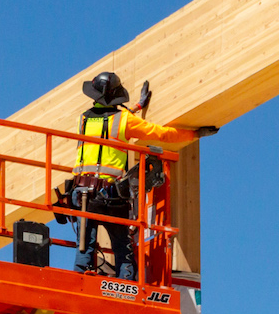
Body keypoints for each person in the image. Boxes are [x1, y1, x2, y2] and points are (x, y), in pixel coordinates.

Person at [69, 71, 215, 280]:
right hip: (108, 195)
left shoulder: (82, 119)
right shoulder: (124, 121)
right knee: (122, 246)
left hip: (81, 192)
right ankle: (126, 286)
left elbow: (108, 119)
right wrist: (195, 133)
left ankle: (78, 282)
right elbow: (161, 133)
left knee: (84, 245)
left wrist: (137, 107)